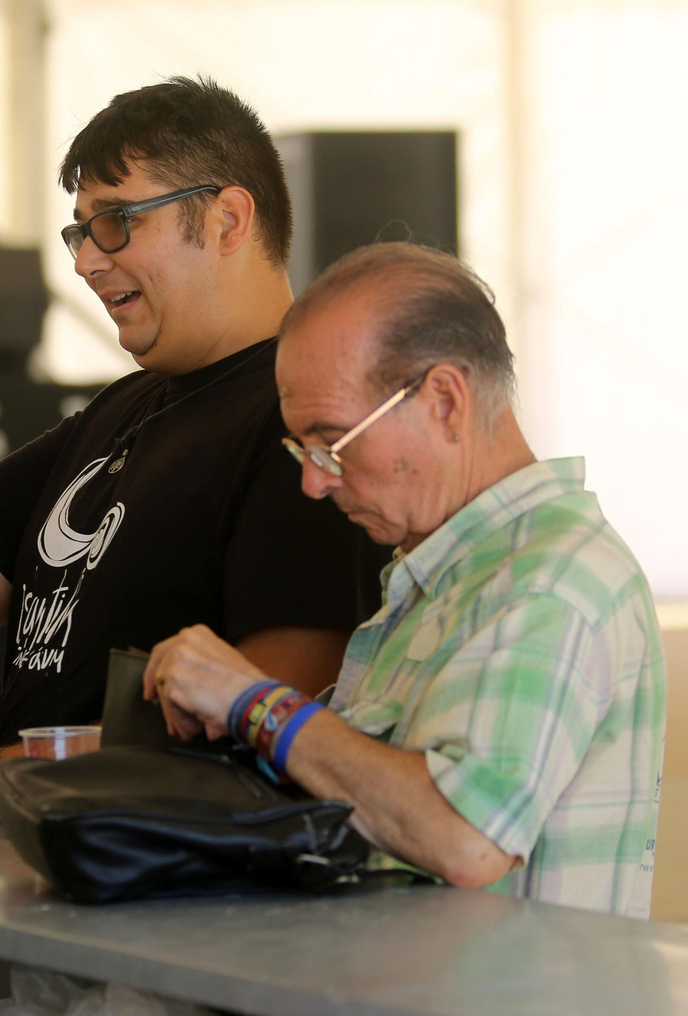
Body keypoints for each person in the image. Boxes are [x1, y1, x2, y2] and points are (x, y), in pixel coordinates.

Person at [0, 77, 382, 822]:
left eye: (117, 221)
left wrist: (2, 776)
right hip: (54, 868)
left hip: (165, 905)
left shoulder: (304, 424)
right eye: (80, 231)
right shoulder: (126, 408)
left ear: (228, 219)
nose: (87, 260)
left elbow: (276, 727)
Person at [144, 242, 665, 916]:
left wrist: (258, 702)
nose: (313, 480)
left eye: (331, 441)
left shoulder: (548, 579)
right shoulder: (442, 581)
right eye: (301, 447)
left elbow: (465, 834)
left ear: (445, 400)